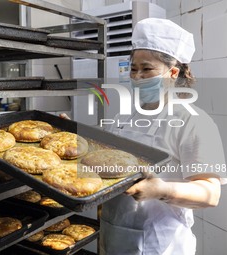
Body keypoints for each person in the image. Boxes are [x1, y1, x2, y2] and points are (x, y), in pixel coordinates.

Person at [98, 18, 226, 255]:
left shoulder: (193, 120)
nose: (137, 77)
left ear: (172, 72)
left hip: (160, 244)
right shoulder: (124, 116)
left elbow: (210, 193)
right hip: (113, 236)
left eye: (147, 69)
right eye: (133, 69)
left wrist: (162, 190)